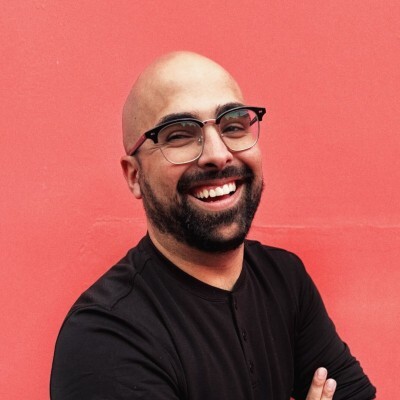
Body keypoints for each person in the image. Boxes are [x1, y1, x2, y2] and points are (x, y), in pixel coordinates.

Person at [50, 51, 376, 399]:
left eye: (233, 127)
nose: (218, 154)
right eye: (179, 135)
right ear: (134, 175)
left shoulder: (284, 278)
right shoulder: (104, 337)